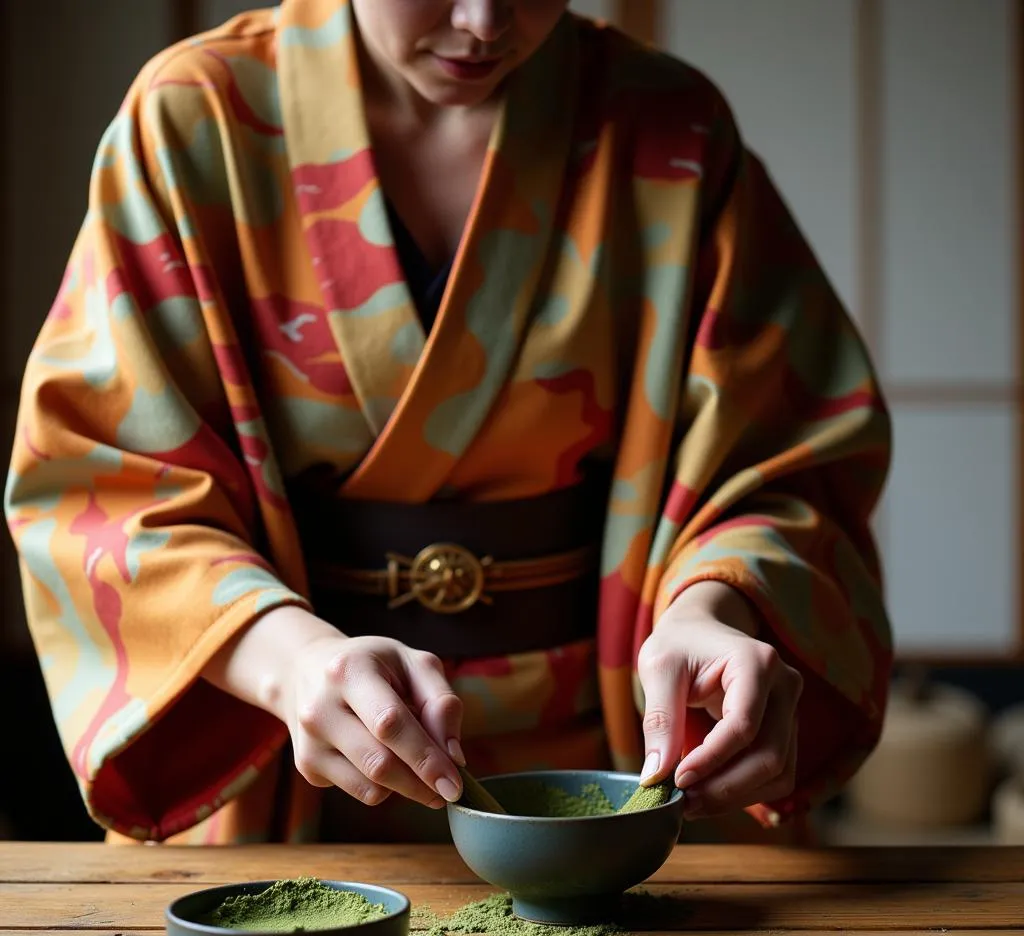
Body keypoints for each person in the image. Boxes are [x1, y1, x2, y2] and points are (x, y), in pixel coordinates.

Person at [4, 0, 892, 846]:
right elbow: (104, 482)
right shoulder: (197, 121)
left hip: (621, 763)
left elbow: (783, 456)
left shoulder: (670, 128)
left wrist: (712, 611)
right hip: (289, 753)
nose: (483, 23)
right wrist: (288, 661)